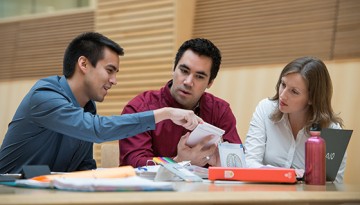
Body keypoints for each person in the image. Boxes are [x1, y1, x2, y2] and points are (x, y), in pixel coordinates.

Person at [0, 32, 202, 174]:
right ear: (84, 64)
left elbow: (84, 166)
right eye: (110, 70)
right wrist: (164, 113)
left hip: (49, 195)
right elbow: (96, 130)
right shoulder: (44, 96)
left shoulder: (87, 106)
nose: (114, 80)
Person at [119, 38, 242, 168]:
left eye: (199, 76)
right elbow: (132, 164)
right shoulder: (140, 107)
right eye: (184, 71)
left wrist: (222, 162)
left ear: (210, 82)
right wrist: (177, 162)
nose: (188, 82)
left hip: (204, 188)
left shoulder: (220, 111)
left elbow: (237, 163)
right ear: (174, 68)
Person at [244, 56, 346, 183]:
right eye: (283, 84)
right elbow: (249, 162)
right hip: (266, 197)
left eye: (294, 92)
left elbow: (333, 186)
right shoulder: (265, 109)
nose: (283, 95)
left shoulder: (332, 131)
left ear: (311, 98)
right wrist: (286, 174)